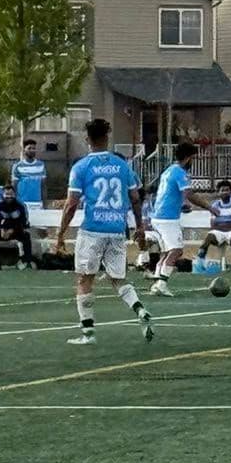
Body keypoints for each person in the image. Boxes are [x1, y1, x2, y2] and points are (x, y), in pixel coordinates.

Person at [54, 117, 154, 345]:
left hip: (92, 230)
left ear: (87, 139)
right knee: (118, 278)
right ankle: (139, 309)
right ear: (107, 137)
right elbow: (135, 198)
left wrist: (60, 235)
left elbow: (71, 205)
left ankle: (88, 333)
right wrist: (139, 226)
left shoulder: (81, 167)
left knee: (84, 279)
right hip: (117, 230)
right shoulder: (122, 166)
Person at [148, 141, 198, 297]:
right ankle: (162, 283)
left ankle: (157, 282)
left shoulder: (168, 170)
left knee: (167, 251)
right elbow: (188, 193)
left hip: (158, 215)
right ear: (188, 158)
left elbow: (170, 193)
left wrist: (182, 205)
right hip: (167, 218)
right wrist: (210, 208)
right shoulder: (180, 173)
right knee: (176, 251)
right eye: (193, 158)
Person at [0, 184, 34, 267]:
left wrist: (12, 230)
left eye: (11, 194)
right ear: (3, 195)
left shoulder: (21, 206)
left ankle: (27, 261)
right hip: (4, 232)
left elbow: (24, 223)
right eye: (7, 194)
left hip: (17, 231)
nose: (9, 197)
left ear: (15, 194)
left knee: (26, 236)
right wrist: (2, 230)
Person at [206, 180, 231, 263]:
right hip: (218, 231)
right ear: (218, 192)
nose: (225, 192)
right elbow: (213, 224)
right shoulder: (215, 205)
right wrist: (228, 224)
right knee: (206, 241)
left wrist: (221, 224)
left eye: (227, 190)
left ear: (230, 192)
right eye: (222, 190)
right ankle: (200, 263)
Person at [11, 139, 47, 210]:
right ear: (24, 150)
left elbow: (43, 186)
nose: (32, 150)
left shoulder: (41, 165)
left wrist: (45, 204)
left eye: (34, 148)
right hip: (21, 203)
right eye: (29, 148)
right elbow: (14, 186)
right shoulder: (17, 166)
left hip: (37, 203)